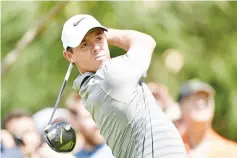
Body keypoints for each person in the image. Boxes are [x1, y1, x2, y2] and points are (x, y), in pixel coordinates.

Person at [61, 14, 187, 158]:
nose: (96, 48)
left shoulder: (92, 85)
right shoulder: (110, 76)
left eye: (99, 38)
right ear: (69, 56)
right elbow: (145, 41)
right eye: (84, 44)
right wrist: (108, 33)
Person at [177, 79, 237, 158]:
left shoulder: (231, 152)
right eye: (195, 98)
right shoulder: (172, 148)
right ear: (181, 106)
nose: (201, 103)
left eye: (206, 98)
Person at [65, 91, 115, 158]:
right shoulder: (77, 154)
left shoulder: (115, 149)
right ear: (74, 122)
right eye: (88, 117)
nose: (97, 123)